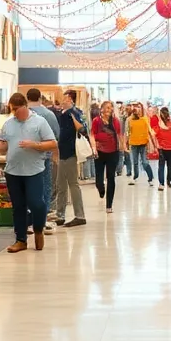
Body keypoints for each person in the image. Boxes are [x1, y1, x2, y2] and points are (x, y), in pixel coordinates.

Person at [0, 92, 57, 252]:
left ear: (25, 106)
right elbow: (3, 144)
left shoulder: (39, 122)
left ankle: (38, 229)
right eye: (12, 109)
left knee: (37, 203)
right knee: (18, 206)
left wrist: (34, 145)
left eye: (17, 109)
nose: (14, 112)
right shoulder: (8, 124)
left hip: (34, 170)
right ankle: (20, 239)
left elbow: (52, 143)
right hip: (13, 171)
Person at [26, 88, 60, 235]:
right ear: (40, 97)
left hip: (25, 157)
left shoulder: (21, 114)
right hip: (44, 156)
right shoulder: (48, 114)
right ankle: (42, 220)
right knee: (45, 187)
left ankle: (28, 221)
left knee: (27, 187)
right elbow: (56, 135)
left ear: (27, 98)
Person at [53, 89, 86, 228]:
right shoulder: (64, 114)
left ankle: (79, 215)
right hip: (63, 153)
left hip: (71, 153)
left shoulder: (74, 113)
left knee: (73, 184)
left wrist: (72, 116)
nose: (63, 101)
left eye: (65, 99)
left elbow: (82, 129)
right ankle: (60, 214)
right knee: (61, 184)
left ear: (71, 100)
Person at [90, 100, 124, 214]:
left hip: (113, 152)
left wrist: (122, 147)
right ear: (102, 109)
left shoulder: (115, 121)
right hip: (99, 152)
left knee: (111, 178)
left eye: (111, 108)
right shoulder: (96, 121)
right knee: (99, 179)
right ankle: (101, 189)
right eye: (108, 107)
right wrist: (94, 148)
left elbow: (120, 135)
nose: (110, 109)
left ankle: (109, 205)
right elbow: (92, 135)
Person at [150, 106, 171, 191]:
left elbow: (152, 133)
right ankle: (168, 181)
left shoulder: (159, 125)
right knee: (169, 165)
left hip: (162, 148)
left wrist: (155, 145)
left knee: (161, 166)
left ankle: (161, 184)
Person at [125, 103, 155, 187]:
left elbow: (149, 131)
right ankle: (134, 177)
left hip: (143, 143)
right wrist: (126, 142)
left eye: (138, 107)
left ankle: (150, 178)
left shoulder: (145, 119)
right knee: (134, 162)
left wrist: (154, 144)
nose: (136, 109)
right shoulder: (129, 120)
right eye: (135, 107)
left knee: (145, 162)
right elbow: (127, 132)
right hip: (133, 143)